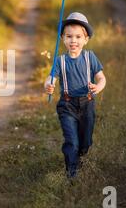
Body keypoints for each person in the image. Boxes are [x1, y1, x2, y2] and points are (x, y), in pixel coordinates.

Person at [44, 12, 106, 178]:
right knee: (71, 141)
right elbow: (51, 77)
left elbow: (101, 78)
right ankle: (72, 174)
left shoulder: (89, 57)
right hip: (67, 105)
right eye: (69, 36)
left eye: (78, 36)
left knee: (85, 142)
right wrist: (49, 85)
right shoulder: (60, 61)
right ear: (62, 38)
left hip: (87, 103)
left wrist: (98, 87)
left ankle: (81, 161)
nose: (73, 41)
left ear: (85, 39)